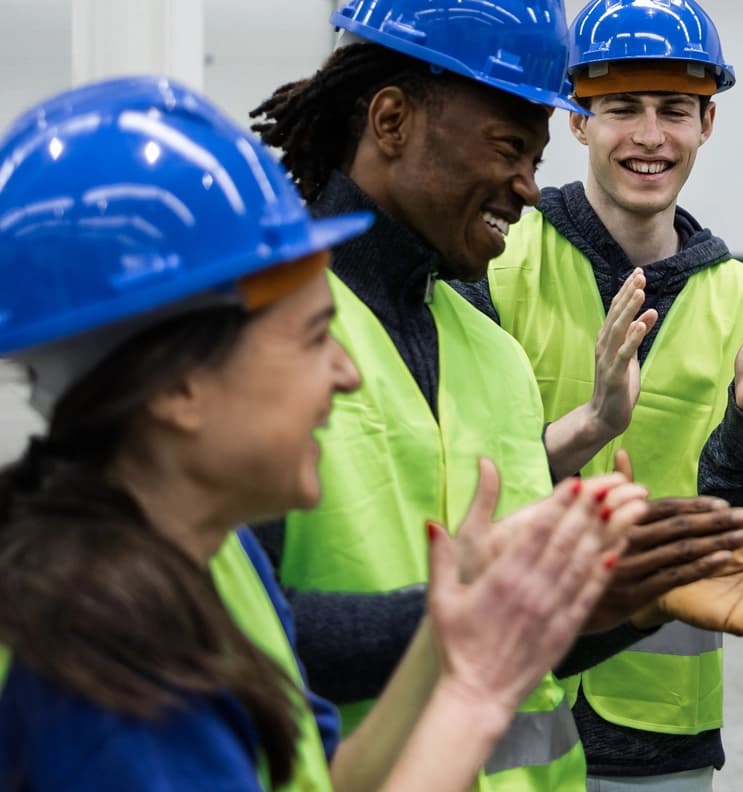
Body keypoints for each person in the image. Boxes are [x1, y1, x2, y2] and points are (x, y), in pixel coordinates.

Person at [247, 0, 743, 790]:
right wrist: (482, 615)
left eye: (533, 160)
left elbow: (525, 642)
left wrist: (637, 603)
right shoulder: (258, 330)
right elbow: (217, 631)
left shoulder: (484, 351)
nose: (528, 187)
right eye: (506, 150)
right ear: (391, 119)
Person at [0, 77, 643, 790]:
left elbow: (322, 779)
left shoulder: (214, 563)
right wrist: (475, 691)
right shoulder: (108, 668)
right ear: (177, 385)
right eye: (312, 337)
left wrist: (456, 633)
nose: (345, 370)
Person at [459, 0, 743, 791]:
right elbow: (458, 482)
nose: (649, 136)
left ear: (708, 123)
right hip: (501, 700)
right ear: (578, 120)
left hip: (661, 728)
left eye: (673, 109)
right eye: (623, 108)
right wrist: (589, 423)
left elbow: (741, 540)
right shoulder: (498, 262)